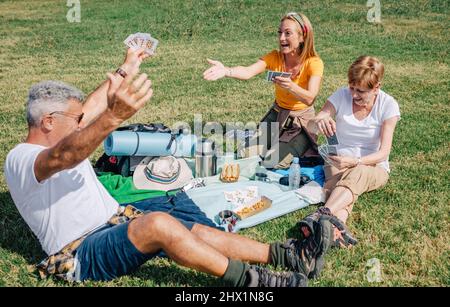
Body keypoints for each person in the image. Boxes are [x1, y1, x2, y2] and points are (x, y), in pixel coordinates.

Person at [4, 48, 332, 286]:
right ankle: (253, 281)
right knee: (159, 224)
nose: (81, 123)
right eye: (74, 121)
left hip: (113, 220)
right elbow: (64, 157)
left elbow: (89, 109)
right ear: (48, 121)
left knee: (188, 226)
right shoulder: (21, 158)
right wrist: (114, 117)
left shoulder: (59, 133)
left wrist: (126, 67)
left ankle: (289, 256)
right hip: (79, 251)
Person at [300, 56, 401, 248]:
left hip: (371, 165)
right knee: (347, 187)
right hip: (337, 160)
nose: (354, 95)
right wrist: (319, 121)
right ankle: (336, 231)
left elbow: (384, 152)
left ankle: (322, 213)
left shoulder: (388, 105)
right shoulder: (341, 95)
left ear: (376, 87)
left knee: (356, 173)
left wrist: (355, 161)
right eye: (352, 88)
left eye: (361, 91)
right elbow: (312, 127)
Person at [203, 12, 324, 169]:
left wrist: (290, 86)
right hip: (277, 115)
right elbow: (248, 71)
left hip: (300, 123)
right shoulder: (275, 57)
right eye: (280, 33)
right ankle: (273, 139)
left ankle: (303, 144)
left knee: (272, 162)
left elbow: (310, 98)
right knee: (245, 155)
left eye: (288, 33)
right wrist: (226, 70)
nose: (281, 38)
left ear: (302, 37)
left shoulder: (314, 63)